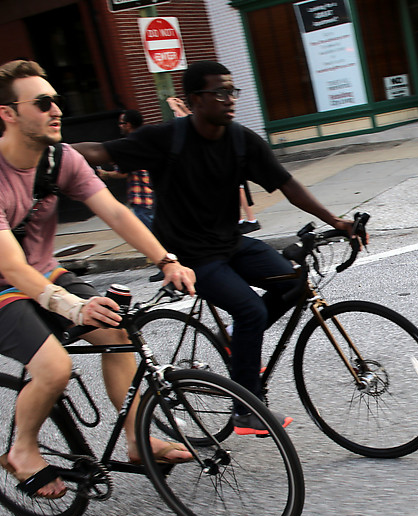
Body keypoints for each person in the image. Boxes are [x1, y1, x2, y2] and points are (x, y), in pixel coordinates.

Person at [76, 61, 356, 436]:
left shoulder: (241, 140)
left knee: (295, 283)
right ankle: (245, 408)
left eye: (232, 91)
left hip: (231, 243)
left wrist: (335, 220)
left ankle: (239, 343)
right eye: (220, 92)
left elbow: (287, 183)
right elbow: (101, 150)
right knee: (251, 310)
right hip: (187, 257)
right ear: (194, 100)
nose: (230, 100)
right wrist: (51, 152)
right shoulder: (167, 140)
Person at [0, 60, 196, 499]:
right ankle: (22, 450)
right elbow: (11, 268)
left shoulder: (60, 159)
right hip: (2, 288)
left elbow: (116, 212)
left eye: (58, 101)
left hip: (47, 273)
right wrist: (73, 307)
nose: (57, 111)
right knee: (54, 368)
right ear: (8, 114)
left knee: (119, 329)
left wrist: (166, 259)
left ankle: (136, 438)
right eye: (43, 103)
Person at [167, 96, 260, 233]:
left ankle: (250, 220)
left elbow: (190, 121)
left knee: (237, 190)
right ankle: (241, 221)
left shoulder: (213, 120)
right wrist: (181, 107)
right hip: (225, 157)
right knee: (234, 190)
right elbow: (191, 118)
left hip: (226, 157)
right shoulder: (209, 118)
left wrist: (176, 108)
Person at [96, 109, 155, 229]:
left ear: (128, 125)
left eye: (121, 123)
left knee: (151, 235)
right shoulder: (147, 139)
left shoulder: (130, 144)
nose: (120, 126)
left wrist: (107, 174)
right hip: (153, 194)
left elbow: (123, 173)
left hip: (141, 196)